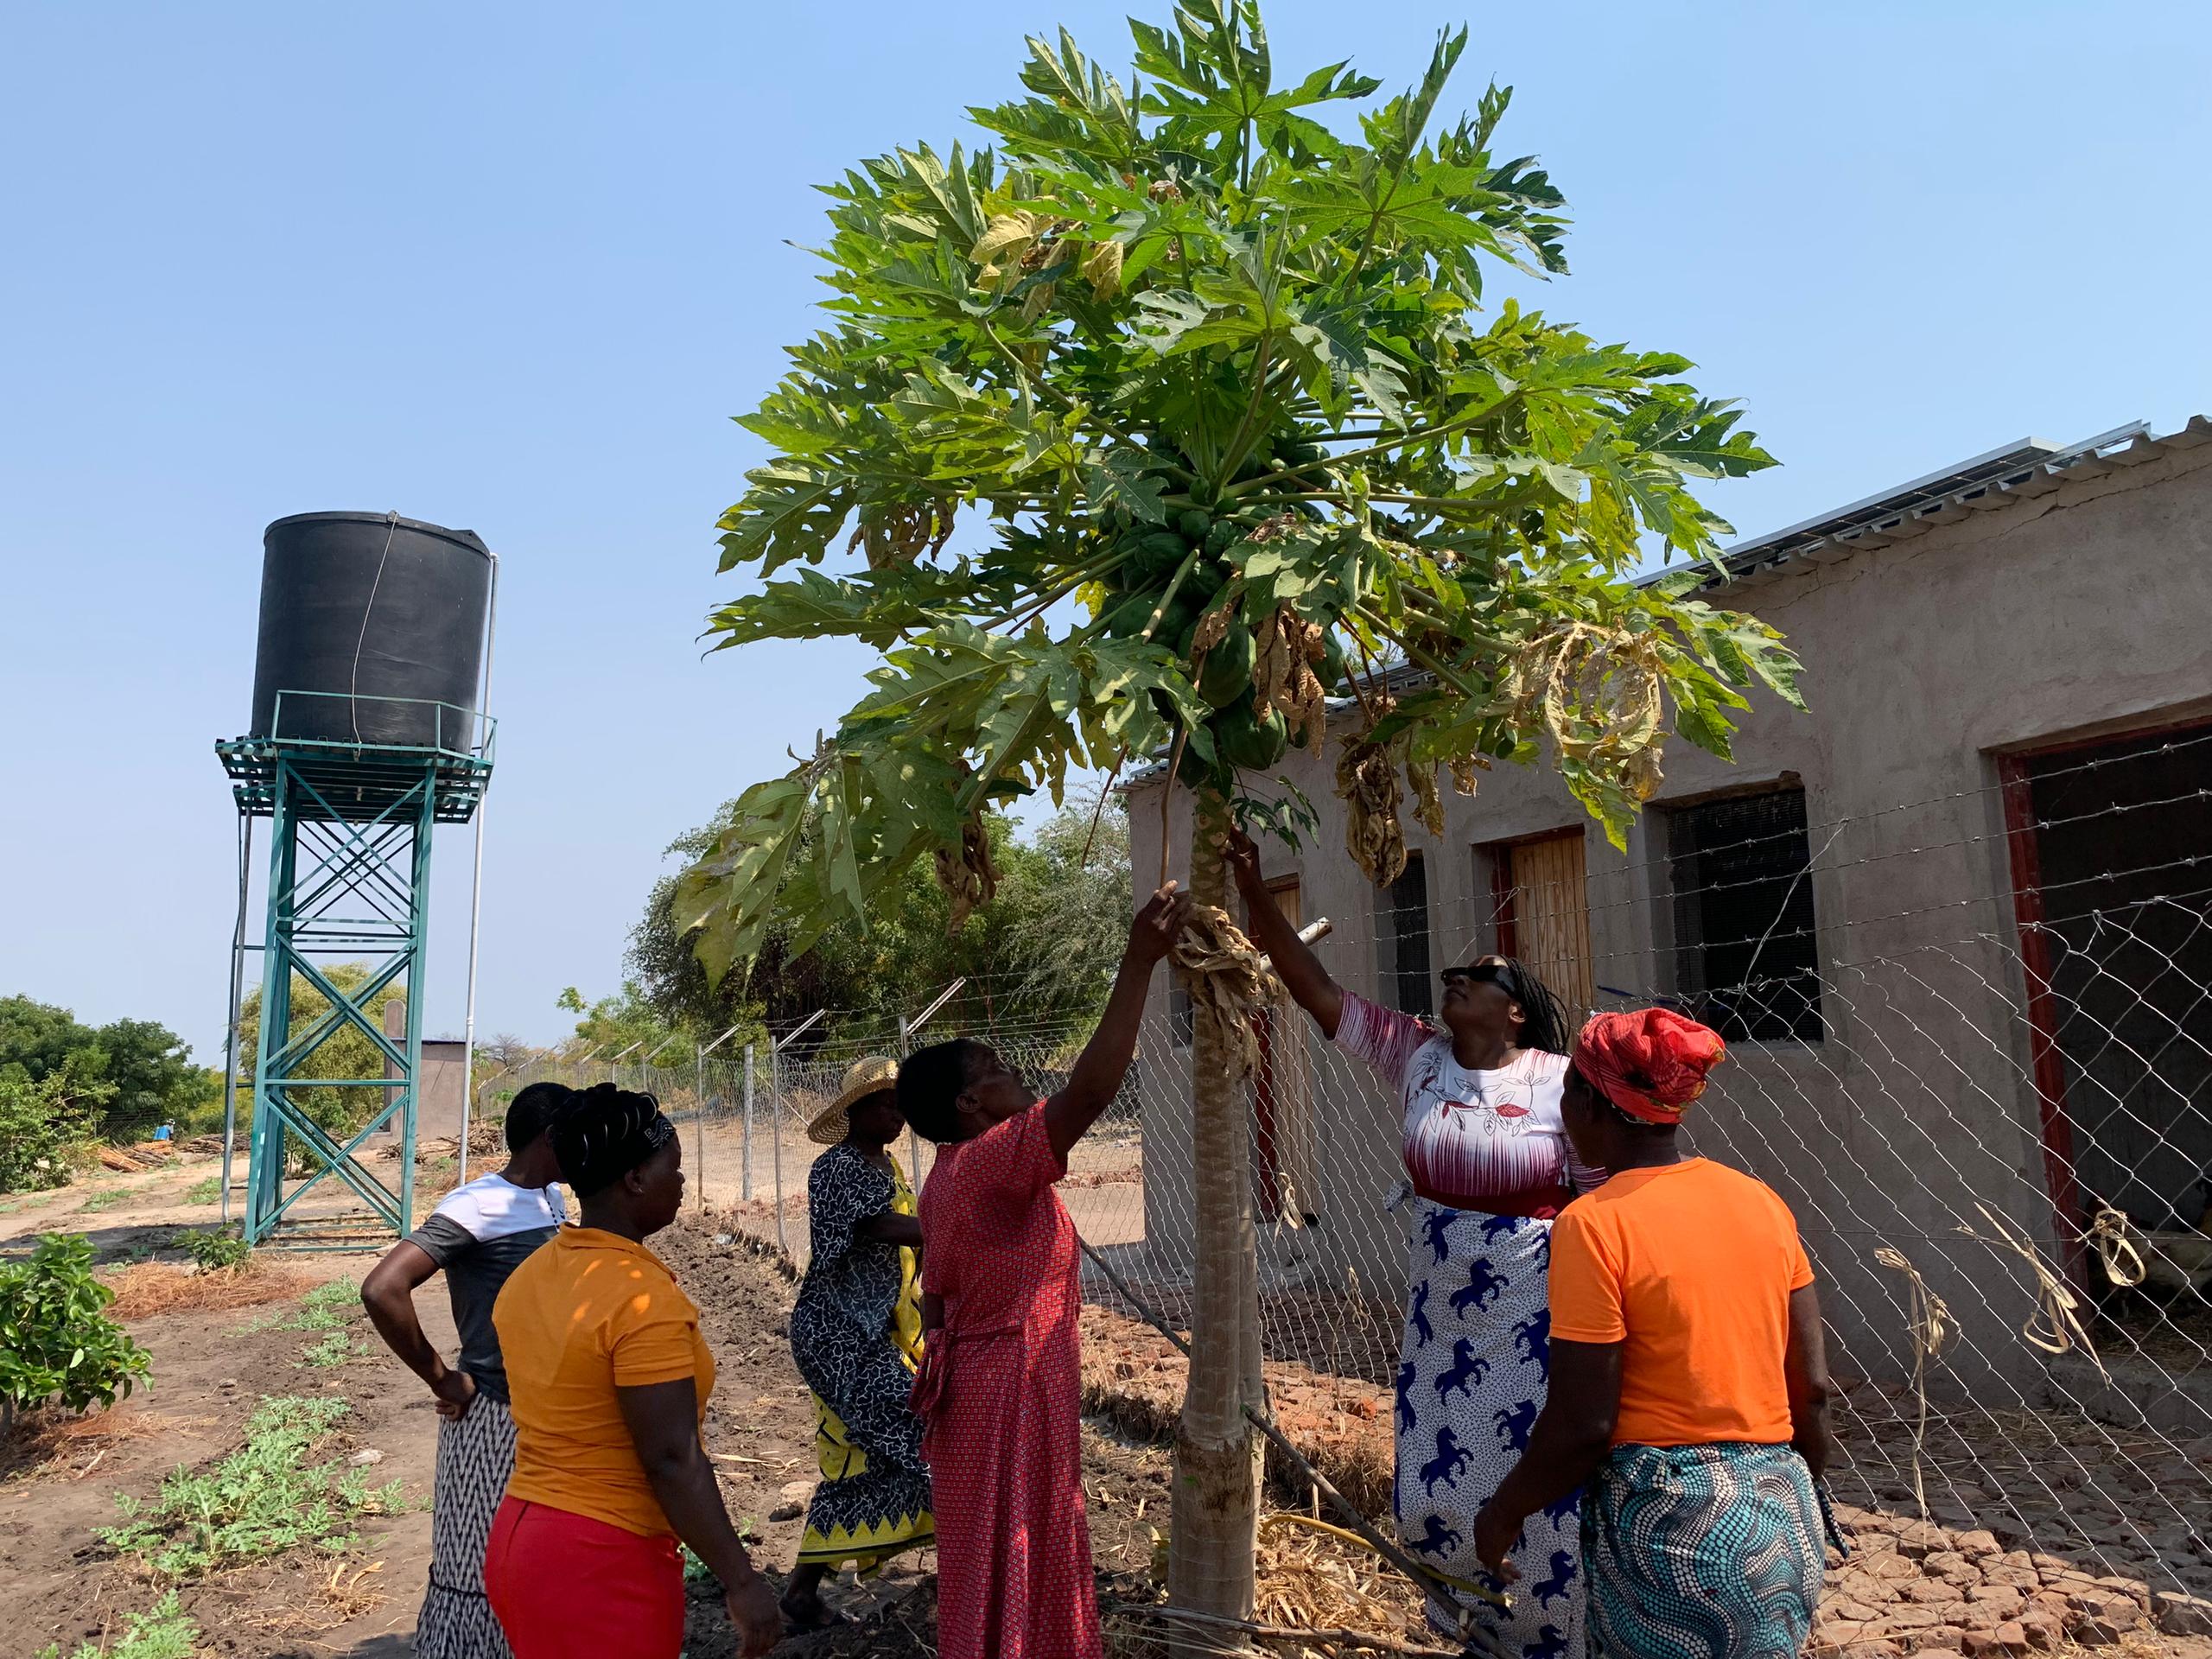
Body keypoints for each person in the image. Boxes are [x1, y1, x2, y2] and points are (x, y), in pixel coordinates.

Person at [1226, 827, 1593, 1654]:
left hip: (1533, 1312)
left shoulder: (1557, 1082)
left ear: (1517, 1009)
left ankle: (1551, 1633)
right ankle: (1469, 1625)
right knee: (1440, 1477)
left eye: (1480, 975)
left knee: (1529, 1478)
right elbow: (1313, 988)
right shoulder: (1415, 1057)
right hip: (1440, 1311)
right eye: (1452, 974)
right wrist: (1256, 895)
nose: (1455, 979)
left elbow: (1600, 1200)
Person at [1472, 1008, 1836, 1659]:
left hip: (1670, 1534)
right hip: (1783, 1523)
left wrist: (1502, 1514)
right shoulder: (1761, 1203)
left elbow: (1583, 1425)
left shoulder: (1595, 1225)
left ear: (1587, 1099)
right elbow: (1810, 1390)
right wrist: (1788, 1496)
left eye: (1567, 1091)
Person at [898, 880, 1192, 1659]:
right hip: (1011, 1389)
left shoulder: (949, 1176)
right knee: (1026, 1540)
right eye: (995, 1068)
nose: (1013, 1076)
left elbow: (937, 1300)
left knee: (995, 1554)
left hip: (987, 1386)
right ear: (970, 1102)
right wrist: (1138, 962)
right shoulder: (991, 1159)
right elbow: (1092, 1089)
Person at [485, 1083, 781, 1659]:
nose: (684, 1182)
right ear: (635, 1179)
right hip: (601, 1559)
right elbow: (671, 1459)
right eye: (674, 1166)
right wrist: (742, 1579)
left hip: (523, 1537)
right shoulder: (639, 1299)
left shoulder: (534, 1275)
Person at [361, 1079, 573, 1659]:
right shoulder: (477, 1206)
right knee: (477, 1569)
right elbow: (383, 1288)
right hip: (494, 1422)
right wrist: (441, 1378)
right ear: (551, 1139)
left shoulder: (552, 1199)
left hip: (545, 1417)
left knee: (528, 1564)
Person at [782, 1055, 933, 1632]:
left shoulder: (889, 1168)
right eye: (884, 1104)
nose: (896, 1114)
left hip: (870, 1335)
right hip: (837, 1336)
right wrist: (957, 1222)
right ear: (854, 1112)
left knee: (871, 1461)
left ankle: (800, 1592)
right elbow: (878, 1228)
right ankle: (976, 1570)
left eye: (901, 1104)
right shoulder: (838, 1167)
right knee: (924, 1432)